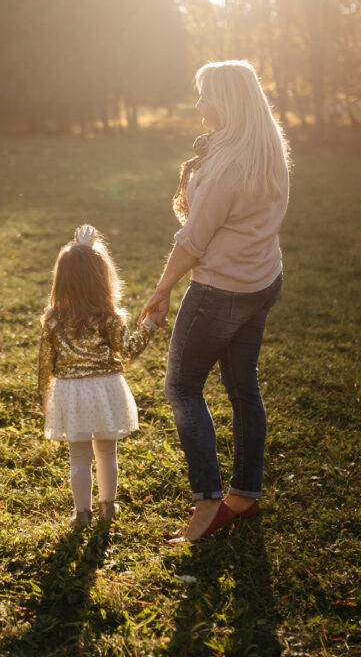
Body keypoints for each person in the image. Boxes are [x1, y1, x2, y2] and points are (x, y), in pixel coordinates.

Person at [138, 60, 290, 545]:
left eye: (205, 96)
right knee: (243, 386)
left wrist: (161, 289)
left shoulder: (229, 166)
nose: (199, 105)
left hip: (221, 291)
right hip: (263, 281)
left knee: (182, 388)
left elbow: (193, 240)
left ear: (226, 101)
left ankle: (207, 505)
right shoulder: (268, 150)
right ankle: (244, 495)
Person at [39, 225, 160, 528]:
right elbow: (128, 354)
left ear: (61, 281)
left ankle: (82, 513)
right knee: (107, 451)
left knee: (78, 457)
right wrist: (149, 327)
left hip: (70, 392)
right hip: (105, 389)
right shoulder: (110, 316)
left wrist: (46, 394)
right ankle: (108, 506)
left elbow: (46, 363)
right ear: (102, 279)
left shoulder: (53, 321)